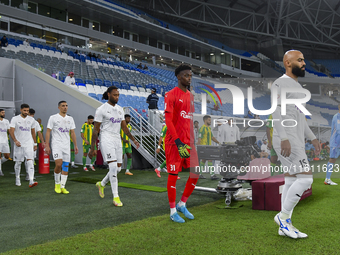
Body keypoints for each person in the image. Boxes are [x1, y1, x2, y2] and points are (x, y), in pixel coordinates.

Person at [272, 50, 321, 239]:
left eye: (304, 60)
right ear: (287, 62)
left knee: (291, 180)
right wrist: (284, 137)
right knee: (306, 179)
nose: (303, 63)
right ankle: (283, 217)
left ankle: (284, 225)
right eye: (299, 60)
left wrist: (313, 138)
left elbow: (301, 118)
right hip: (288, 139)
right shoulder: (280, 82)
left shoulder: (295, 87)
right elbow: (275, 111)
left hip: (296, 138)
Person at [89, 86, 140, 206]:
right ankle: (116, 197)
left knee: (117, 169)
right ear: (108, 94)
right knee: (112, 167)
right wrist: (93, 147)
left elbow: (124, 127)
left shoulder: (119, 109)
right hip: (106, 138)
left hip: (117, 139)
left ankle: (101, 184)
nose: (117, 97)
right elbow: (95, 130)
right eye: (114, 95)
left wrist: (133, 140)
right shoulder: (101, 109)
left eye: (118, 95)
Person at [164, 64, 201, 223]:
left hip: (188, 143)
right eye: (186, 75)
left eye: (191, 75)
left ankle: (182, 204)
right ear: (179, 77)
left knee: (195, 173)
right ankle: (172, 211)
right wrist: (178, 141)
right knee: (173, 175)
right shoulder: (171, 95)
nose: (189, 78)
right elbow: (168, 120)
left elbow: (188, 120)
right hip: (175, 143)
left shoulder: (190, 96)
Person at [45, 101, 78, 194]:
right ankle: (57, 183)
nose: (65, 107)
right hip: (56, 144)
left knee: (66, 166)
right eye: (63, 106)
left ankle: (63, 186)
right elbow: (48, 131)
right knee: (58, 164)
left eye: (66, 106)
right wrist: (47, 145)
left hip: (66, 145)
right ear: (59, 107)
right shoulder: (53, 118)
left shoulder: (70, 119)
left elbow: (72, 132)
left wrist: (75, 145)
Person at [9, 104, 38, 187]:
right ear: (21, 110)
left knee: (30, 161)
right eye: (24, 110)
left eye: (27, 111)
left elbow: (33, 132)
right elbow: (11, 131)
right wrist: (15, 140)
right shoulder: (15, 119)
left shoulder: (31, 120)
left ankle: (31, 180)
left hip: (29, 143)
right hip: (19, 144)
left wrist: (35, 143)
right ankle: (17, 178)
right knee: (18, 162)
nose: (26, 112)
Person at [198, 115, 220, 180]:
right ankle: (212, 175)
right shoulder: (202, 128)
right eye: (209, 120)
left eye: (210, 120)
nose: (210, 121)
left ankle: (200, 174)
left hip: (208, 147)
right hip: (204, 147)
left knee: (203, 161)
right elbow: (199, 138)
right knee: (210, 159)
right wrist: (199, 148)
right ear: (205, 120)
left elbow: (212, 137)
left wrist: (219, 142)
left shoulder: (209, 128)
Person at [324, 105, 340, 185]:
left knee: (333, 159)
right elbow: (338, 130)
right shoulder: (337, 117)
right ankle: (327, 179)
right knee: (332, 159)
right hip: (336, 143)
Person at [0, 109, 10, 176]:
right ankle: (0, 171)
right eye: (2, 112)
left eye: (4, 112)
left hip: (5, 141)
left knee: (7, 156)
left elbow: (9, 130)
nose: (4, 114)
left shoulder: (6, 121)